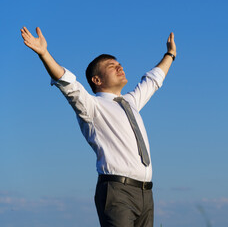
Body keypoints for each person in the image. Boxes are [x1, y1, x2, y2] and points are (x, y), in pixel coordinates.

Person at [20, 26, 176, 227]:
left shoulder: (130, 102)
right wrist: (44, 54)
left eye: (120, 64)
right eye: (112, 65)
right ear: (97, 80)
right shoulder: (92, 107)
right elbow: (69, 85)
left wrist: (170, 54)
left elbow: (153, 80)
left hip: (146, 193)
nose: (120, 67)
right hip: (117, 191)